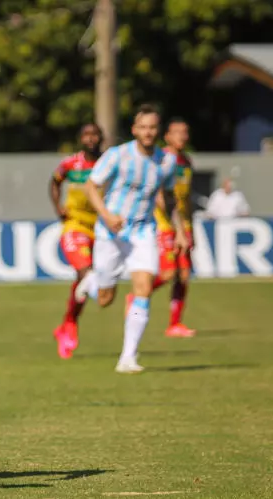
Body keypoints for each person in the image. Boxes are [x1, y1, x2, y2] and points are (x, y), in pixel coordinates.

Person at [78, 104, 188, 374]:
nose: (148, 132)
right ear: (134, 130)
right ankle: (90, 281)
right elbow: (91, 186)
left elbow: (171, 199)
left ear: (157, 130)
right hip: (110, 233)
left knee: (144, 288)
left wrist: (181, 231)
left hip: (143, 232)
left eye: (153, 127)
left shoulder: (167, 161)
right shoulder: (118, 155)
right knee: (105, 299)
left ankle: (128, 357)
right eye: (144, 127)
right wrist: (106, 214)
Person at [131, 118, 196, 337]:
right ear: (167, 136)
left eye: (185, 132)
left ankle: (174, 324)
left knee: (184, 275)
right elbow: (160, 195)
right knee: (168, 273)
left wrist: (189, 228)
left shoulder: (186, 161)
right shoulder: (162, 160)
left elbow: (186, 198)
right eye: (177, 132)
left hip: (182, 224)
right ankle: (139, 294)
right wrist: (175, 226)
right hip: (163, 224)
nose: (182, 137)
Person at [50, 123, 103, 359]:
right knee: (85, 273)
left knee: (82, 281)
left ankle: (67, 325)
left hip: (101, 229)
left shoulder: (107, 163)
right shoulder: (71, 164)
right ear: (81, 139)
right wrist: (58, 207)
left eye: (95, 134)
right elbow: (54, 182)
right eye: (86, 135)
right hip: (75, 225)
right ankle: (69, 326)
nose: (90, 139)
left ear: (101, 138)